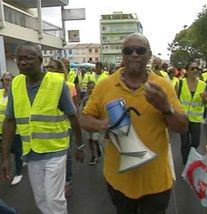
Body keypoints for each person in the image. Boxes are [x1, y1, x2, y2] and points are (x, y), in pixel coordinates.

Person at [80, 33, 188, 214]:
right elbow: (84, 118)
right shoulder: (105, 85)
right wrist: (102, 125)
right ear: (123, 55)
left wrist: (166, 107)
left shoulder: (162, 86)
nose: (134, 54)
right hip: (119, 179)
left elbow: (182, 127)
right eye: (128, 50)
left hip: (156, 181)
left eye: (140, 50)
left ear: (149, 55)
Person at [0, 42, 85, 214]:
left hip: (56, 151)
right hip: (31, 152)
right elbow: (10, 121)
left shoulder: (57, 83)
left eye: (28, 59)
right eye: (19, 59)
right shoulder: (15, 84)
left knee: (54, 198)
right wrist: (5, 157)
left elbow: (73, 116)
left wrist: (80, 145)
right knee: (41, 198)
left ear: (39, 60)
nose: (23, 63)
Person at [47, 59, 79, 197]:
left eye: (52, 67)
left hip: (66, 127)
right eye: (47, 67)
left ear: (60, 70)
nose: (49, 70)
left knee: (66, 156)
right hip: (49, 128)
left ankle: (67, 181)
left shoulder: (69, 85)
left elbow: (75, 109)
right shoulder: (44, 86)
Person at [0, 73, 24, 185]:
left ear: (13, 81)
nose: (5, 82)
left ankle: (18, 172)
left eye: (8, 80)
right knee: (4, 152)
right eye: (3, 80)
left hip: (14, 130)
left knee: (16, 152)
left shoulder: (17, 94)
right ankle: (10, 168)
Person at [177, 62, 207, 164]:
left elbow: (205, 103)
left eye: (197, 69)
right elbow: (175, 100)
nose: (195, 70)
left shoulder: (203, 85)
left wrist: (205, 99)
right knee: (184, 142)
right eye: (192, 68)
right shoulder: (180, 83)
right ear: (187, 71)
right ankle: (186, 163)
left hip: (196, 119)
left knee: (196, 142)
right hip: (183, 118)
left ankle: (190, 155)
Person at [80, 81, 103, 165]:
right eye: (89, 88)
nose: (91, 90)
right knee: (90, 140)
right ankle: (93, 156)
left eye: (92, 87)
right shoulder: (85, 99)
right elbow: (83, 111)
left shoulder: (99, 99)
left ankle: (98, 147)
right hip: (88, 123)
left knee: (95, 139)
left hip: (96, 123)